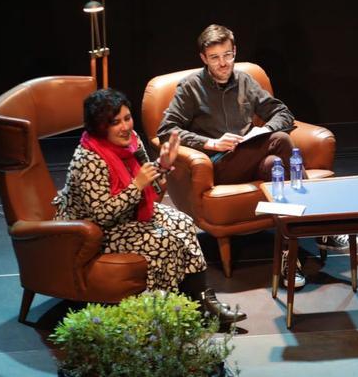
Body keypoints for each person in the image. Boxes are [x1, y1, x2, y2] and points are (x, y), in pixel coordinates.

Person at [156, 24, 347, 289]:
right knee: (280, 141)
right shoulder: (190, 87)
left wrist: (264, 129)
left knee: (276, 164)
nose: (223, 63)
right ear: (203, 58)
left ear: (234, 51)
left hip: (253, 159)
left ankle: (288, 259)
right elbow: (166, 131)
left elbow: (282, 112)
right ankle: (320, 224)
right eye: (215, 57)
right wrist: (210, 143)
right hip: (219, 166)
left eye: (227, 55)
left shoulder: (244, 80)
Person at [52, 88, 246, 328]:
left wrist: (163, 165)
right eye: (115, 122)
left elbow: (153, 190)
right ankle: (159, 310)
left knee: (183, 223)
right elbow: (100, 215)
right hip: (92, 231)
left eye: (127, 118)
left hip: (128, 213)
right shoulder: (88, 158)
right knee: (162, 241)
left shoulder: (131, 141)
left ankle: (201, 300)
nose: (125, 126)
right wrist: (136, 185)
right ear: (100, 127)